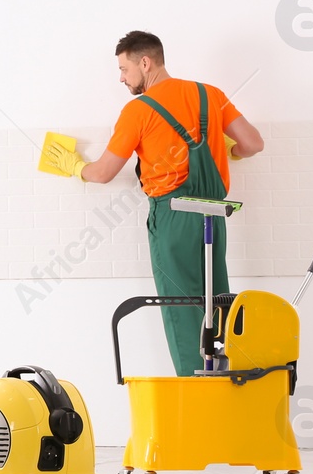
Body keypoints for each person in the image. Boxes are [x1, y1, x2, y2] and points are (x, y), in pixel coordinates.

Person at [45, 31, 263, 376]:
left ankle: (195, 397)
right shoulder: (211, 95)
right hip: (215, 215)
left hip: (174, 217)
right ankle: (224, 388)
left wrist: (75, 167)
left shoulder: (138, 111)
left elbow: (102, 173)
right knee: (218, 304)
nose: (121, 77)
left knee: (182, 309)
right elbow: (252, 143)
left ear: (145, 62)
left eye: (123, 68)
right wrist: (229, 151)